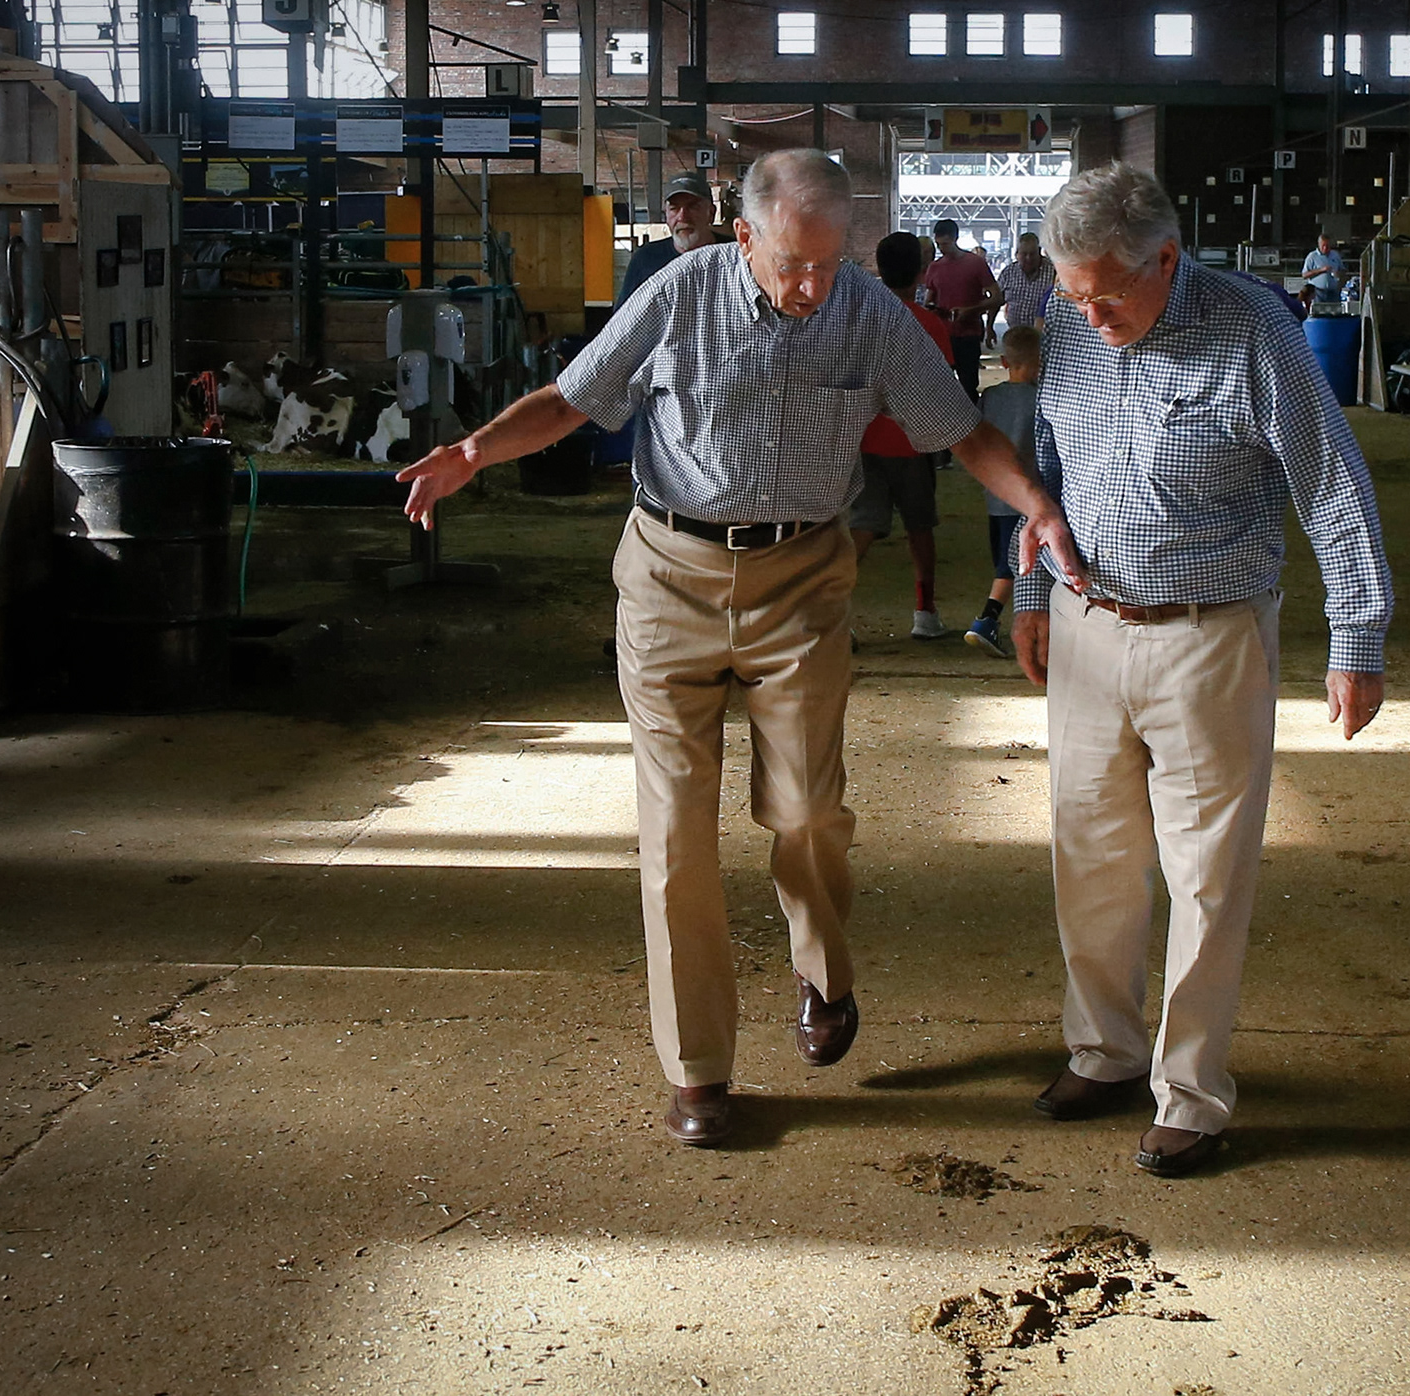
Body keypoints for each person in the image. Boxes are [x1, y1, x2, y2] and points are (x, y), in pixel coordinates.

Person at [395, 149, 1082, 1149]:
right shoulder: (678, 295)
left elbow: (959, 429)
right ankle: (700, 1067)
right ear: (744, 235)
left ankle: (824, 971)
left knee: (805, 809)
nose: (812, 287)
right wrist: (472, 450)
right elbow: (574, 399)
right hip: (669, 576)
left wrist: (1038, 506)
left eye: (829, 263)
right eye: (792, 263)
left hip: (802, 580)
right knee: (675, 835)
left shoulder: (867, 312)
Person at [1012, 163, 1394, 1178]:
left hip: (1209, 635)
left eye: (1105, 294)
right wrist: (1035, 593)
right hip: (1090, 630)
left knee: (1206, 877)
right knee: (1087, 857)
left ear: (1166, 260)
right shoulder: (1070, 329)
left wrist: (1357, 634)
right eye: (1071, 294)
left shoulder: (1254, 331)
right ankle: (1103, 1049)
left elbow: (1332, 485)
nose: (1087, 314)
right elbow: (1046, 466)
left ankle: (1189, 1091)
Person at [852, 231, 958, 640]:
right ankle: (924, 611)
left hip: (864, 439)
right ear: (919, 272)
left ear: (878, 270)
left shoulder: (860, 322)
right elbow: (941, 385)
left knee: (861, 528)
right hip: (913, 442)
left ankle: (832, 615)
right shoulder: (930, 324)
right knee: (919, 527)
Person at [967, 324, 1042, 659]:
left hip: (994, 494)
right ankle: (987, 618)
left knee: (1004, 558)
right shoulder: (1041, 400)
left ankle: (992, 620)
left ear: (1005, 362)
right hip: (1028, 495)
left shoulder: (991, 397)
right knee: (1013, 564)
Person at [615, 170, 722, 309]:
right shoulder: (646, 259)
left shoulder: (735, 256)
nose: (682, 217)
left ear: (711, 213)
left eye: (693, 207)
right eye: (674, 208)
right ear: (666, 215)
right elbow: (623, 318)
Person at [923, 218, 1003, 399]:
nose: (942, 249)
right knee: (941, 388)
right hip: (943, 336)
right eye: (939, 244)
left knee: (968, 386)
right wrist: (932, 310)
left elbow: (997, 298)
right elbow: (929, 300)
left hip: (968, 334)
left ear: (955, 239)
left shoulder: (975, 264)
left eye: (945, 244)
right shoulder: (934, 268)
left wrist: (971, 310)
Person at [1000, 232, 1056, 332]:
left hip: (1045, 334)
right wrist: (990, 326)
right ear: (1017, 254)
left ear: (1039, 251)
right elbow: (997, 301)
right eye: (1024, 254)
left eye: (1032, 254)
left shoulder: (1054, 272)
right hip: (1015, 333)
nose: (1028, 258)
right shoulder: (1008, 272)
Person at [1300, 234, 1347, 311]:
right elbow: (1304, 275)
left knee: (1335, 313)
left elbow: (1343, 270)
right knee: (1318, 313)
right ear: (1319, 245)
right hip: (1317, 293)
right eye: (1323, 245)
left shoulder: (1335, 255)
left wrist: (1339, 274)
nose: (1325, 248)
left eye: (1327, 246)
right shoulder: (1312, 256)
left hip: (1333, 292)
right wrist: (1321, 270)